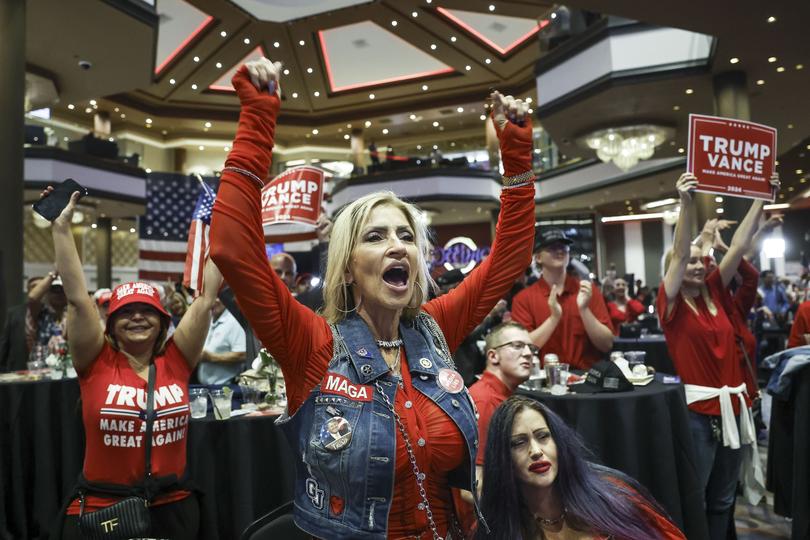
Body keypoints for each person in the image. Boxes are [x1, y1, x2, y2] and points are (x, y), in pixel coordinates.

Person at [209, 57, 536, 538]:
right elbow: (232, 249)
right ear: (347, 265)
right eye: (376, 236)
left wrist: (517, 153)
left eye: (405, 235)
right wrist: (258, 119)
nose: (397, 245)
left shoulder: (433, 327)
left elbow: (509, 258)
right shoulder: (313, 344)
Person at [43, 186, 223, 540]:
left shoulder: (177, 358)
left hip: (175, 509)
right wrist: (61, 229)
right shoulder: (95, 361)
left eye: (147, 311)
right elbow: (80, 301)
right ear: (111, 324)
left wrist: (220, 229)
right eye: (126, 312)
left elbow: (205, 300)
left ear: (162, 322)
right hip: (104, 512)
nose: (137, 318)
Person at [657, 171, 779, 539]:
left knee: (724, 500)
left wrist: (761, 196)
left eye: (701, 260)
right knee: (699, 496)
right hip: (699, 415)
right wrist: (686, 202)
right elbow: (679, 252)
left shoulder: (716, 292)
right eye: (690, 261)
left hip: (734, 409)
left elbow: (740, 246)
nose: (697, 264)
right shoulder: (671, 305)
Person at [476, 396, 686, 539]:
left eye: (543, 436)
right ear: (503, 459)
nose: (536, 451)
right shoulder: (499, 529)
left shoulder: (613, 495)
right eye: (518, 443)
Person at [511, 229, 613, 370]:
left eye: (564, 247)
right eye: (552, 248)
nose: (559, 251)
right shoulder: (524, 298)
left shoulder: (587, 291)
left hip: (586, 379)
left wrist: (584, 310)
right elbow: (523, 349)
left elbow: (607, 344)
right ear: (538, 257)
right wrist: (554, 318)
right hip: (541, 380)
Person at [197, 298, 248, 384]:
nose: (213, 301)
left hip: (227, 387)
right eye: (212, 297)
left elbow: (242, 355)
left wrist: (212, 357)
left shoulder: (234, 321)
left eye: (218, 297)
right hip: (206, 386)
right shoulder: (208, 319)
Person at [0, 276, 43, 372]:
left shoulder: (49, 314)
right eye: (34, 286)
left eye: (41, 286)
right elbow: (5, 342)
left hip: (43, 371)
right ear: (28, 291)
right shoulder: (14, 313)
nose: (37, 289)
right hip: (17, 370)